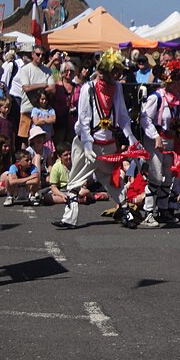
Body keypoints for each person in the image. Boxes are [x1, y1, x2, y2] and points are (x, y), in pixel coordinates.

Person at [52, 49, 139, 229]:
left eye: (118, 71)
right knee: (75, 181)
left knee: (113, 181)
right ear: (103, 71)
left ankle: (126, 212)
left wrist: (131, 138)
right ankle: (70, 218)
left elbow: (123, 115)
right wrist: (88, 145)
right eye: (114, 71)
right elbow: (83, 120)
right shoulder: (88, 88)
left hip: (108, 144)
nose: (117, 75)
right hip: (87, 145)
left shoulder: (117, 88)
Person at [139, 59, 180, 228]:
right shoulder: (157, 97)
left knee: (168, 176)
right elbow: (144, 118)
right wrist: (155, 136)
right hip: (157, 141)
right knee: (155, 176)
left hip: (171, 140)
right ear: (172, 81)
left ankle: (162, 211)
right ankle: (148, 213)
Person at [17, 45, 55, 146]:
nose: (40, 57)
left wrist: (34, 87)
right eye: (38, 54)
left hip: (44, 111)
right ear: (33, 55)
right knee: (25, 140)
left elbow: (52, 88)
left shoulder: (48, 71)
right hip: (27, 109)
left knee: (44, 141)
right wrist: (43, 85)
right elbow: (26, 88)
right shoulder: (25, 69)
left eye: (43, 55)